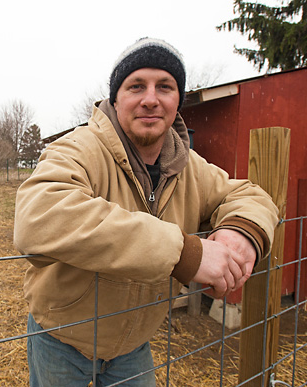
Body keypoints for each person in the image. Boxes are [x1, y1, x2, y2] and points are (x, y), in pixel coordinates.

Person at [14, 37, 279, 386]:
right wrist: (186, 254)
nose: (150, 99)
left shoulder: (187, 166)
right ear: (116, 98)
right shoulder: (79, 149)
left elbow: (249, 195)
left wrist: (240, 232)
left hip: (134, 346)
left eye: (165, 87)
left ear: (177, 101)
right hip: (63, 339)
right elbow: (37, 219)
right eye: (136, 85)